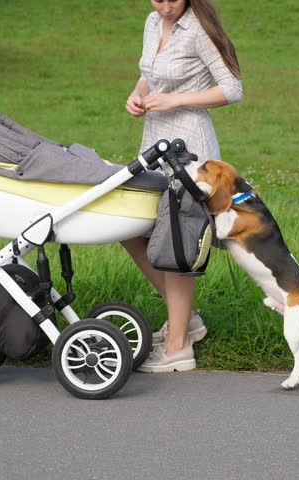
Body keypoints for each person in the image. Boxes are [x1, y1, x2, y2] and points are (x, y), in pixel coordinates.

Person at [121, 0, 243, 372]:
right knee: (130, 229)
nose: (165, 5)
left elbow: (232, 88)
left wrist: (175, 99)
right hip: (154, 144)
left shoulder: (201, 29)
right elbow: (150, 75)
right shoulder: (151, 22)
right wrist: (137, 94)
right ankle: (186, 321)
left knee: (176, 241)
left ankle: (177, 348)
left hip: (188, 149)